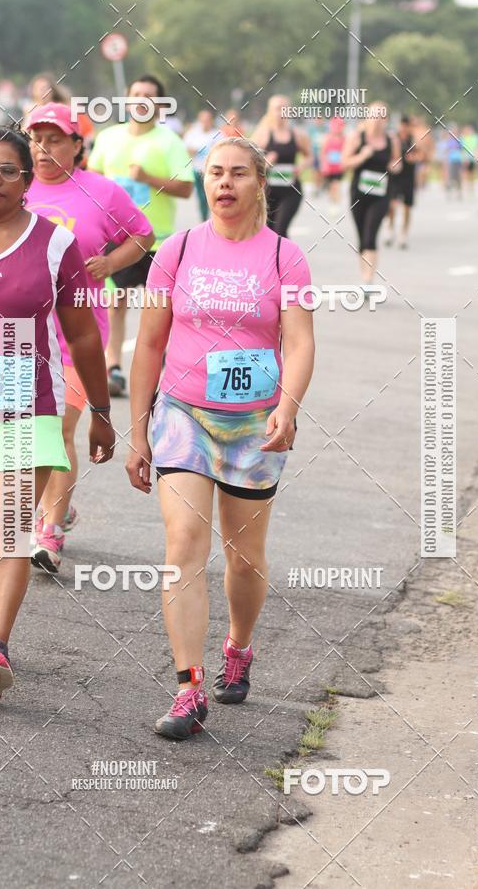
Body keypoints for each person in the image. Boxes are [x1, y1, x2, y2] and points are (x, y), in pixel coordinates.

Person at [126, 137, 314, 740]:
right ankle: (188, 688)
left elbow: (302, 340)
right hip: (183, 415)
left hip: (254, 424)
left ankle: (239, 645)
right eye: (215, 173)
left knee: (244, 556)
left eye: (238, 173)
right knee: (183, 542)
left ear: (260, 183)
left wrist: (287, 406)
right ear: (203, 182)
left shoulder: (286, 257)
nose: (225, 183)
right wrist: (138, 431)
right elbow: (149, 344)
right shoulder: (176, 251)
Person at [0, 128, 114, 700]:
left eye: (8, 170)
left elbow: (82, 335)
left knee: (2, 524)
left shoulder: (55, 245)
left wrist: (102, 411)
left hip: (26, 404)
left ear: (27, 182)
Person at [25, 104, 155, 572]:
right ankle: (56, 503)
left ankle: (48, 532)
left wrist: (110, 264)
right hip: (21, 331)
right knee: (27, 432)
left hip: (78, 333)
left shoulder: (101, 191)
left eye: (55, 138)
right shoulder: (16, 187)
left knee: (60, 428)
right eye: (36, 138)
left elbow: (142, 234)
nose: (43, 149)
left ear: (78, 144)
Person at [88, 74, 194, 397]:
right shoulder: (108, 138)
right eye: (136, 94)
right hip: (116, 238)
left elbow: (187, 188)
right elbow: (91, 177)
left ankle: (166, 366)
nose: (142, 101)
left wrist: (148, 177)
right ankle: (113, 368)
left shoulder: (170, 142)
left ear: (160, 105)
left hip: (158, 242)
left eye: (149, 96)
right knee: (115, 303)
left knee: (160, 309)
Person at [341, 101, 401, 283]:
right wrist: (362, 156)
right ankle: (364, 276)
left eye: (381, 117)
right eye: (374, 116)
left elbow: (398, 163)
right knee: (362, 237)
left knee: (370, 235)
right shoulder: (356, 137)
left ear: (386, 120)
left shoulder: (392, 140)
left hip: (381, 194)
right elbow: (344, 163)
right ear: (367, 118)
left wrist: (395, 166)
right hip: (359, 193)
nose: (377, 121)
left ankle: (368, 280)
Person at [251, 95, 313, 237]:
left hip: (290, 191)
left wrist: (301, 166)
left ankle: (285, 259)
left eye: (284, 109)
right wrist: (265, 162)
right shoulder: (262, 134)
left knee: (280, 230)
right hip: (267, 192)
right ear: (270, 111)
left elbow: (309, 157)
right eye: (277, 109)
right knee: (267, 231)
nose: (280, 113)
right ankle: (272, 259)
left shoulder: (297, 135)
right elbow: (248, 161)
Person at [386, 115, 424, 249]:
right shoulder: (393, 138)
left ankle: (404, 234)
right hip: (395, 177)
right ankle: (390, 230)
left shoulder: (413, 140)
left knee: (407, 207)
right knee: (392, 205)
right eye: (402, 125)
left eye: (406, 126)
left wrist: (414, 158)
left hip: (408, 177)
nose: (403, 128)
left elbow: (421, 155)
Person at [184, 109, 220, 220]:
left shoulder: (217, 134)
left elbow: (221, 151)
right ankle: (204, 219)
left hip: (213, 172)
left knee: (213, 196)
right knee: (201, 197)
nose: (205, 122)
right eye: (203, 120)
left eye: (207, 120)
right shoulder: (192, 134)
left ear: (211, 120)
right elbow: (185, 149)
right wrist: (192, 151)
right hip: (196, 170)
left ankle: (216, 219)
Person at [320, 116, 345, 212]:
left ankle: (336, 203)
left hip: (339, 167)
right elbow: (323, 153)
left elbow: (346, 152)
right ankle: (332, 201)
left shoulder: (344, 139)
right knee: (331, 186)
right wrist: (324, 164)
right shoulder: (327, 138)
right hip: (329, 167)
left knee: (336, 184)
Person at [460, 124, 478, 198]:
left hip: (472, 159)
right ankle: (465, 190)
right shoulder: (463, 138)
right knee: (465, 174)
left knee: (471, 175)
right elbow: (462, 149)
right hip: (465, 159)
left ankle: (471, 189)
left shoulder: (474, 138)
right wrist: (464, 158)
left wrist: (476, 157)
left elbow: (476, 147)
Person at [445, 126, 463, 200]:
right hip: (451, 161)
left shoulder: (459, 140)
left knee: (458, 178)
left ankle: (459, 193)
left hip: (458, 161)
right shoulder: (449, 141)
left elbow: (462, 150)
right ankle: (450, 193)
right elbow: (447, 151)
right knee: (451, 178)